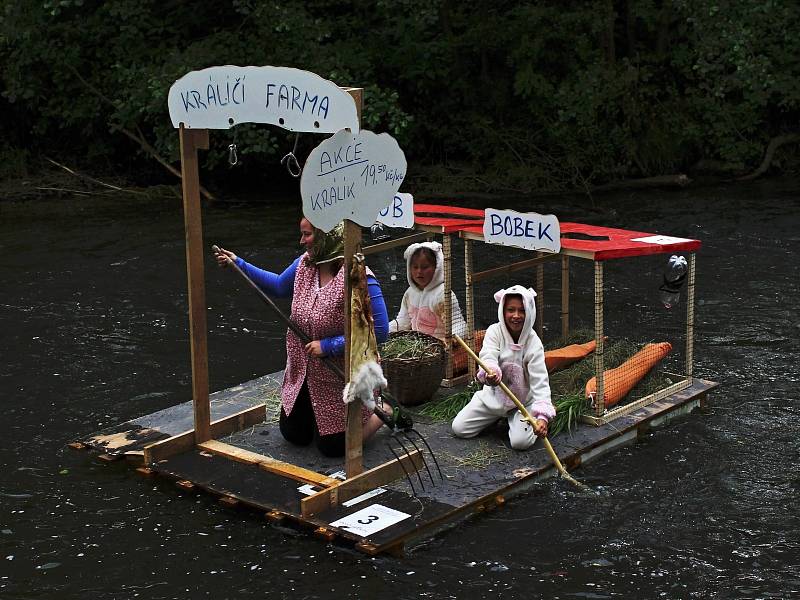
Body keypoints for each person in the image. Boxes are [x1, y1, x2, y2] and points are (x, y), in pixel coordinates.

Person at [215, 218, 390, 457]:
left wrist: (330, 346)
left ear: (326, 235)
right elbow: (278, 286)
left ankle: (383, 410)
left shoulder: (359, 277)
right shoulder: (305, 265)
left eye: (307, 235)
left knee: (334, 448)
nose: (301, 241)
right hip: (304, 371)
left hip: (341, 376)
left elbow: (378, 331)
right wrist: (239, 264)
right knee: (294, 435)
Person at [451, 285, 554, 450]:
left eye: (522, 310)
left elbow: (540, 382)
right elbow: (488, 356)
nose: (516, 315)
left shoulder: (534, 343)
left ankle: (518, 420)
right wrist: (490, 372)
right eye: (511, 310)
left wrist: (542, 417)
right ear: (502, 311)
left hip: (521, 404)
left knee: (520, 443)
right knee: (459, 428)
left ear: (530, 312)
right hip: (493, 399)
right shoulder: (494, 332)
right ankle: (495, 417)